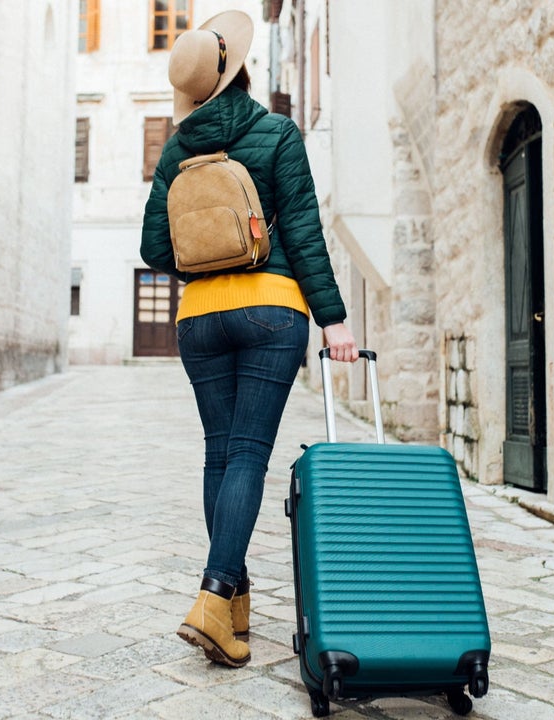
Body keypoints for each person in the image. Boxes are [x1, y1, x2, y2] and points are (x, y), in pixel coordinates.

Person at [140, 10, 357, 668]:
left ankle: (232, 608)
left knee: (218, 455)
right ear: (239, 72)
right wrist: (333, 318)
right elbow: (302, 231)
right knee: (247, 458)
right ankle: (213, 594)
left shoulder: (177, 151)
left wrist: (207, 253)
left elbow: (154, 249)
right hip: (270, 310)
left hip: (199, 318)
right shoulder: (276, 133)